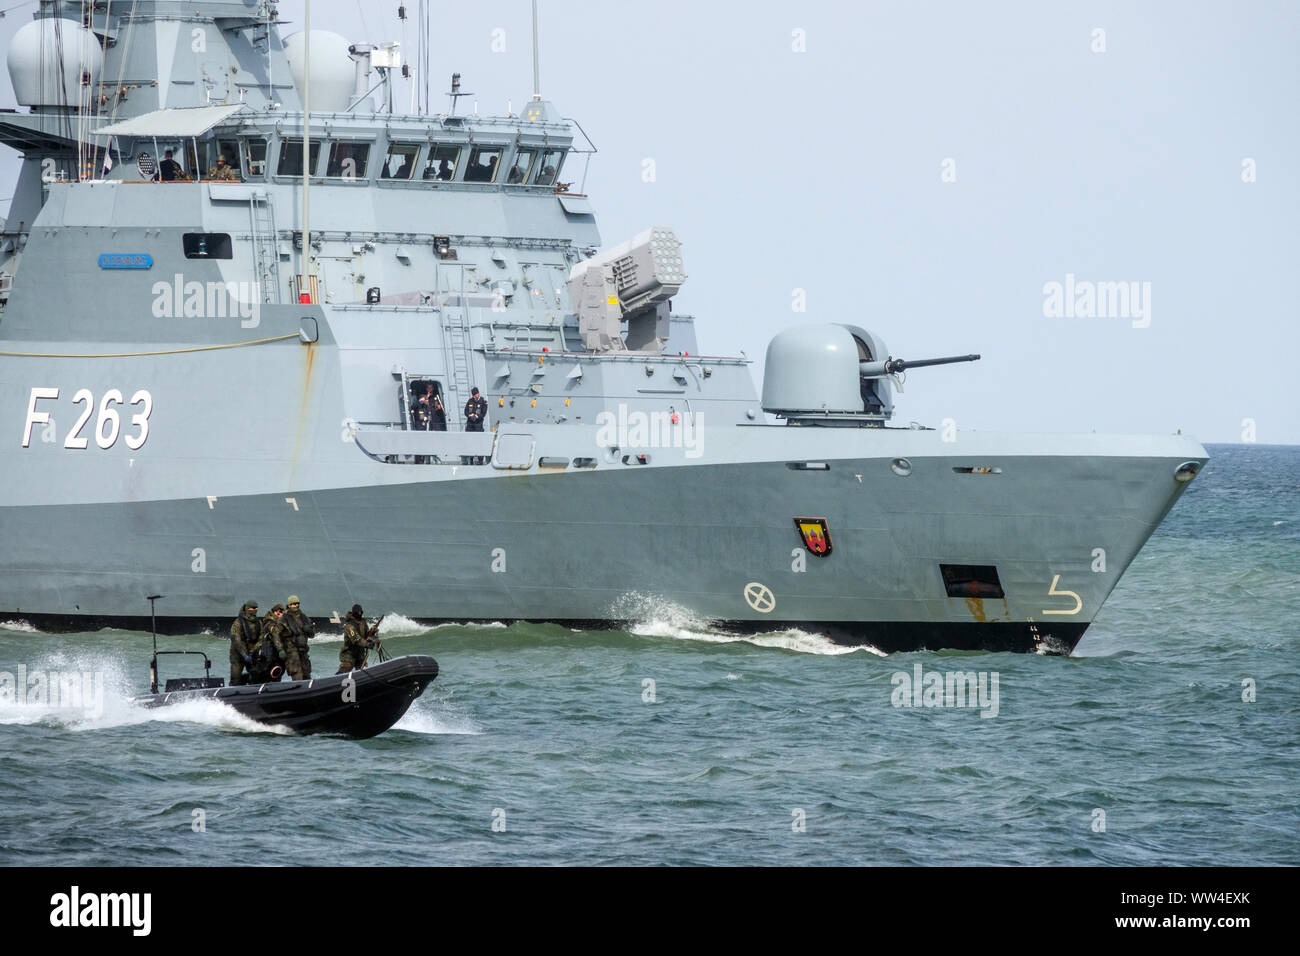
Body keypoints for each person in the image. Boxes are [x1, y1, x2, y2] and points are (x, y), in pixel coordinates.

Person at [253, 603, 292, 682]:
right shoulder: (270, 623)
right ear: (276, 612)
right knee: (268, 674)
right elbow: (275, 635)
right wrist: (280, 649)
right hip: (270, 654)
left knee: (277, 673)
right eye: (281, 612)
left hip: (275, 654)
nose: (282, 615)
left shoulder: (278, 622)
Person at [337, 604, 380, 674]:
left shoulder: (363, 623)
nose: (359, 614)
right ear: (354, 613)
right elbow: (356, 640)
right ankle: (337, 681)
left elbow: (366, 635)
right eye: (358, 612)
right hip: (349, 653)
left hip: (360, 653)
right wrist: (367, 644)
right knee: (346, 668)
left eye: (361, 612)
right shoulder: (349, 626)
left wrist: (372, 632)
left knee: (364, 671)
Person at [228, 600, 261, 686]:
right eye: (253, 608)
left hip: (252, 653)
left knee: (256, 676)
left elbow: (261, 639)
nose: (255, 610)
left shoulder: (258, 622)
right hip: (238, 654)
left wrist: (253, 651)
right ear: (247, 608)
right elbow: (236, 640)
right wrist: (244, 655)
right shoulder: (238, 622)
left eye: (256, 608)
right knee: (236, 677)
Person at [281, 596, 315, 680]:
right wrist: (280, 650)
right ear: (289, 605)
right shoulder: (284, 619)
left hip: (303, 650)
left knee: (307, 675)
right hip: (291, 651)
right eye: (293, 604)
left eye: (296, 604)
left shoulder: (304, 617)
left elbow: (312, 634)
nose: (295, 606)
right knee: (297, 675)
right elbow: (276, 635)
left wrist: (309, 630)